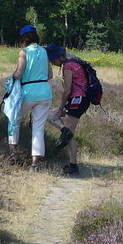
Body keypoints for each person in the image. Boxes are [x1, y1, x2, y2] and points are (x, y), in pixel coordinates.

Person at [9, 24, 53, 167]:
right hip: (45, 92)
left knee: (14, 120)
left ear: (24, 37)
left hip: (28, 92)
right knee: (38, 128)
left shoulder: (24, 52)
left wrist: (11, 78)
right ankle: (35, 163)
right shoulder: (44, 52)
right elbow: (50, 74)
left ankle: (13, 154)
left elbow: (19, 73)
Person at [45, 43, 89, 176]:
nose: (53, 63)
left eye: (53, 60)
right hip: (81, 100)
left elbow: (67, 90)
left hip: (77, 100)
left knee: (69, 134)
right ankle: (64, 133)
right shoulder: (75, 62)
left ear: (59, 57)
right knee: (50, 115)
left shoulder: (68, 66)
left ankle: (73, 165)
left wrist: (62, 107)